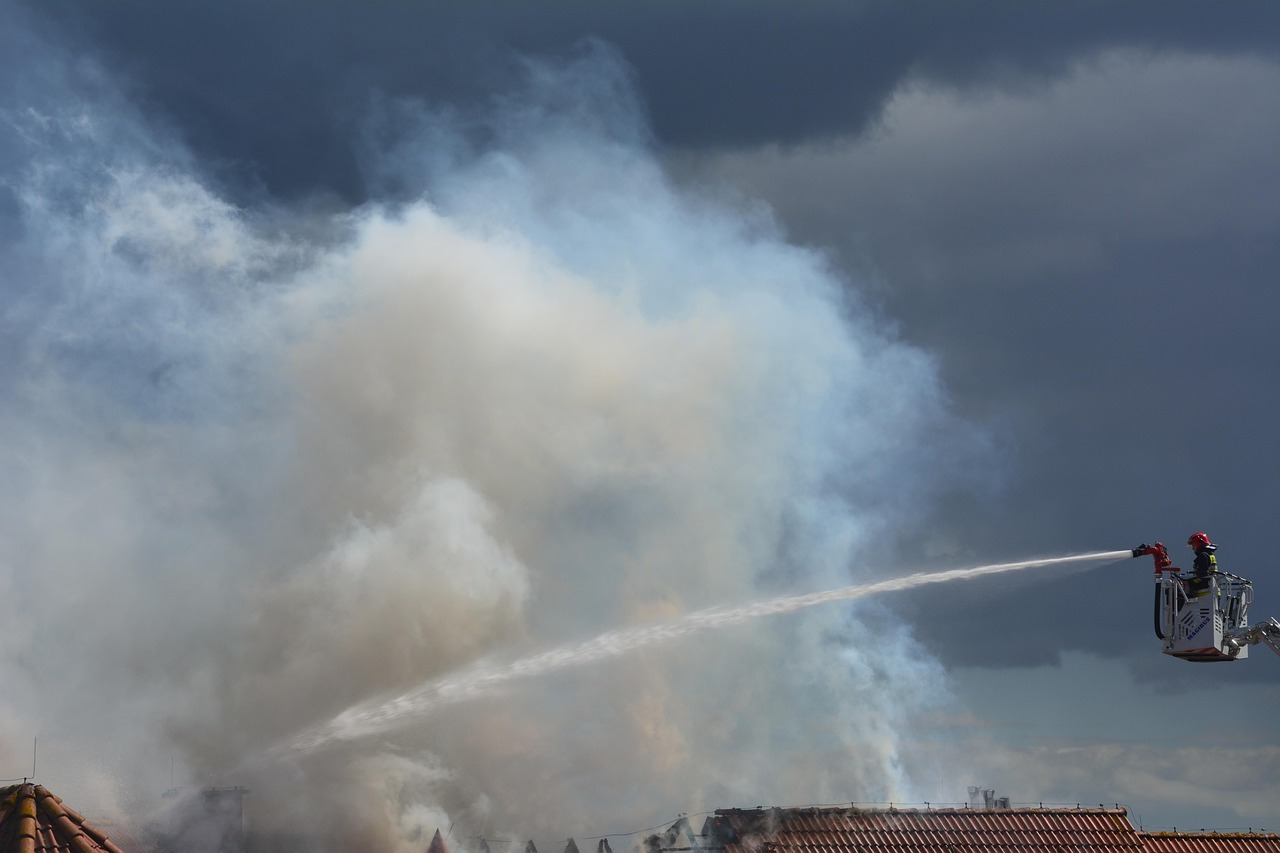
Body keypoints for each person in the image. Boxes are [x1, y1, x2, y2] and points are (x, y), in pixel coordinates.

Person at [1184, 532, 1218, 598]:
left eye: (1193, 545)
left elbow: (1201, 574)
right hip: (1213, 592)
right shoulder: (1209, 555)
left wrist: (1188, 583)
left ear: (1198, 544)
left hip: (1204, 594)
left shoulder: (1203, 556)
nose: (1192, 548)